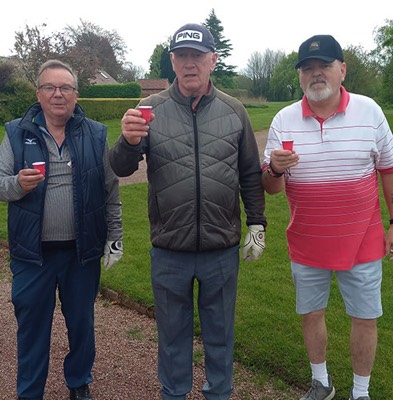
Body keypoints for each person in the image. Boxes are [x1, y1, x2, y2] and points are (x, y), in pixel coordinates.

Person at [109, 23, 266, 400]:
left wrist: (257, 222)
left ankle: (219, 393)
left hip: (220, 249)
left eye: (197, 56)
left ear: (213, 60)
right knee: (172, 336)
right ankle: (174, 393)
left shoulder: (234, 110)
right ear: (173, 61)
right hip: (169, 249)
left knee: (220, 334)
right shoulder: (150, 109)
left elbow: (248, 172)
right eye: (182, 56)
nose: (190, 63)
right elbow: (121, 168)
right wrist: (127, 142)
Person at [262, 34, 393, 400]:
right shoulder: (283, 120)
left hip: (363, 240)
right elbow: (270, 188)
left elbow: (391, 169)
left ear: (342, 70)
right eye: (307, 68)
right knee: (311, 313)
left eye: (324, 65)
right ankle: (321, 383)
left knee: (365, 317)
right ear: (300, 76)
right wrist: (274, 169)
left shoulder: (369, 111)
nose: (316, 73)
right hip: (307, 240)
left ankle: (360, 392)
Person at [0, 60, 123, 400]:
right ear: (38, 94)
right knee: (32, 327)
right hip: (32, 254)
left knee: (81, 324)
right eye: (50, 87)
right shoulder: (16, 132)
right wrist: (17, 184)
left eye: (65, 88)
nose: (58, 94)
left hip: (80, 253)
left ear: (75, 95)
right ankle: (30, 392)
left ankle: (79, 382)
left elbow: (110, 189)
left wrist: (115, 236)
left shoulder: (95, 133)